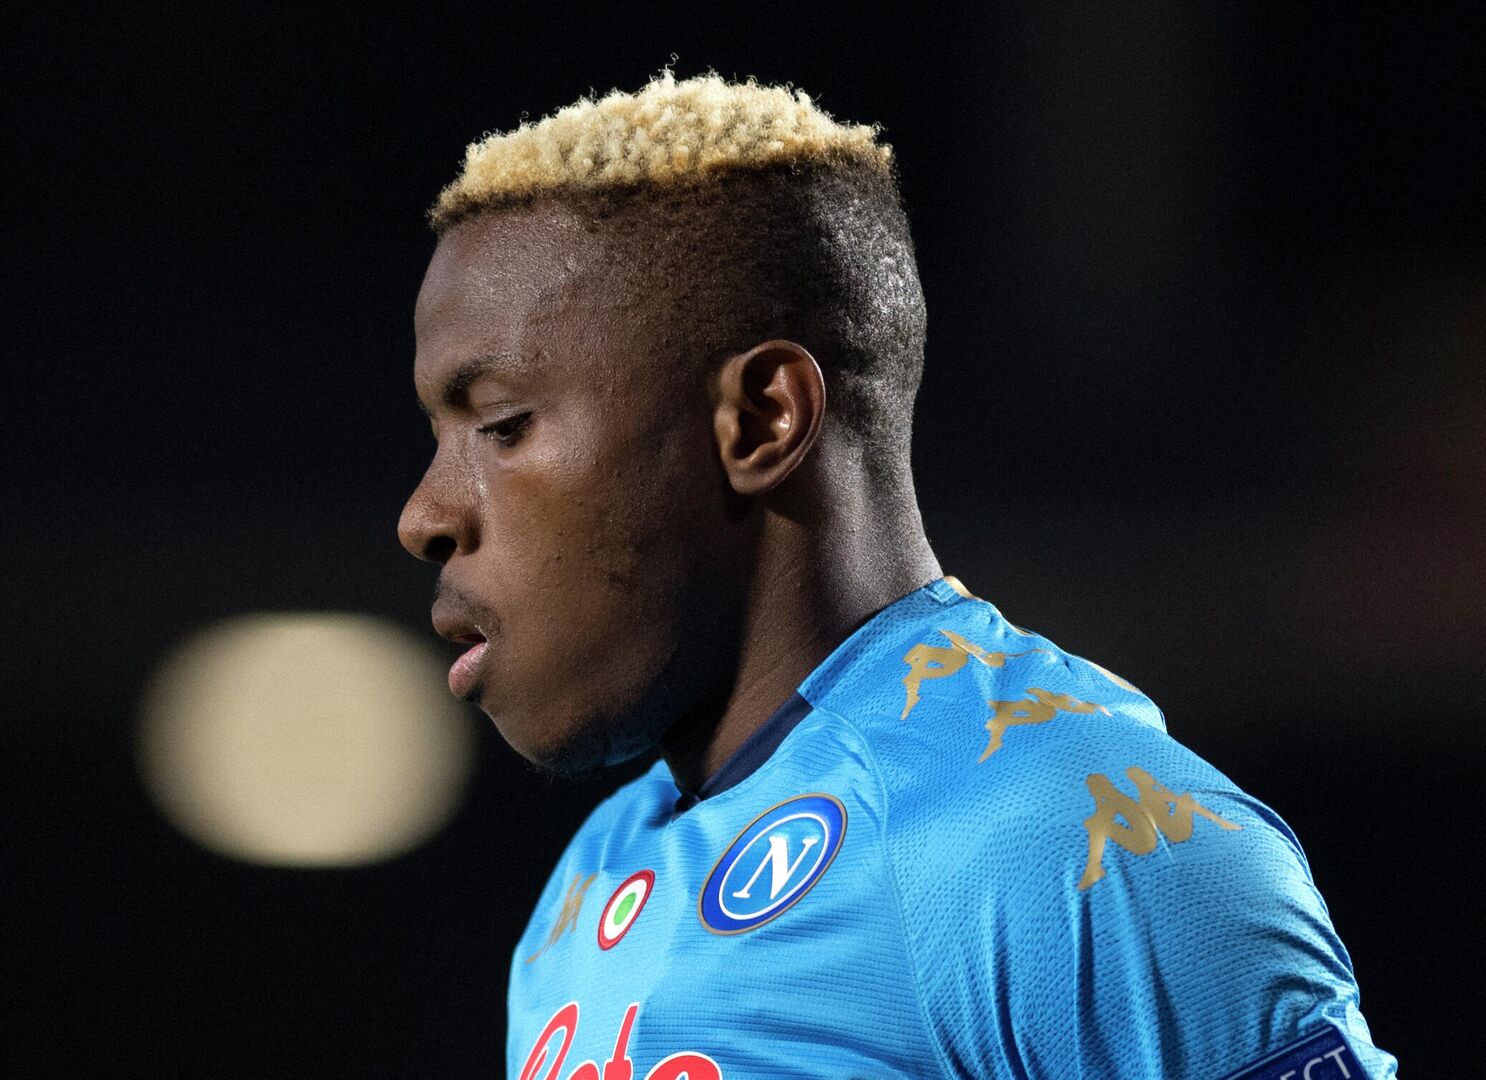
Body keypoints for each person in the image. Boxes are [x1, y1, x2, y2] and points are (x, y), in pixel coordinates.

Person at [400, 71, 1397, 1080]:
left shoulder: (1078, 843)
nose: (425, 514)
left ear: (761, 422)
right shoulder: (592, 879)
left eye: (501, 425)